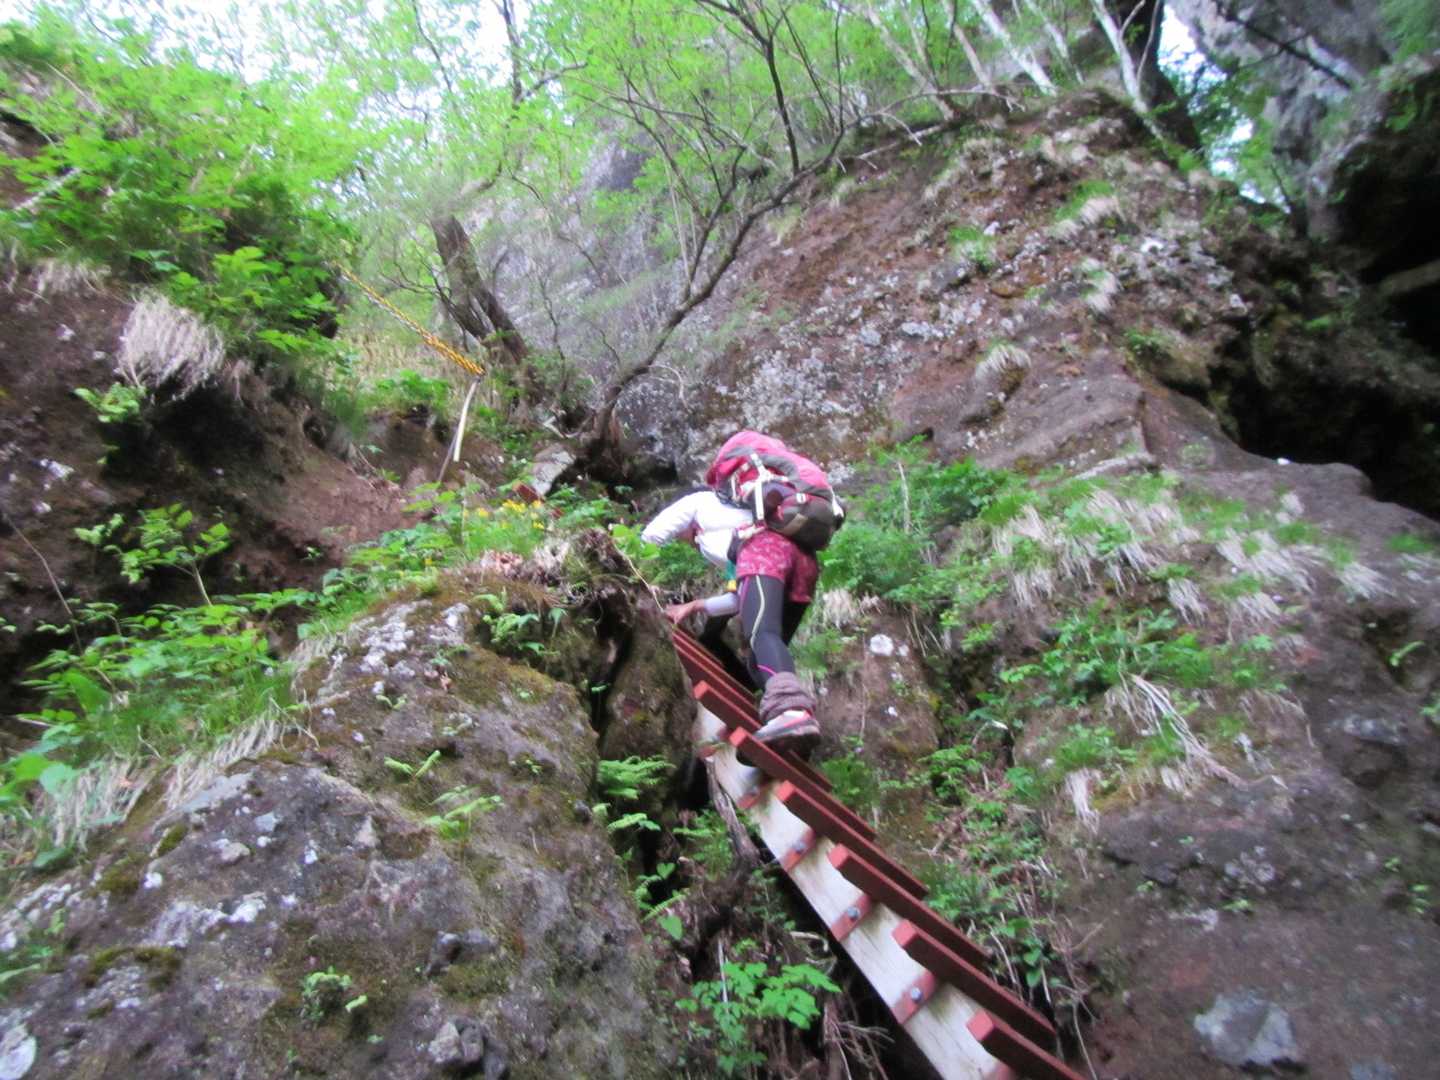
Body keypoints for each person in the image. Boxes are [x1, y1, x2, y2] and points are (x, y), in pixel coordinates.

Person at [642, 485, 821, 757]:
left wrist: (636, 572)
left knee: (762, 636)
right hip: (803, 564)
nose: (681, 540)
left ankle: (792, 712)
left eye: (681, 536)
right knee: (760, 659)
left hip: (767, 554)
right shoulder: (735, 533)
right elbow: (740, 600)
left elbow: (653, 535)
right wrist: (694, 606)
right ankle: (787, 735)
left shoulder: (698, 502)